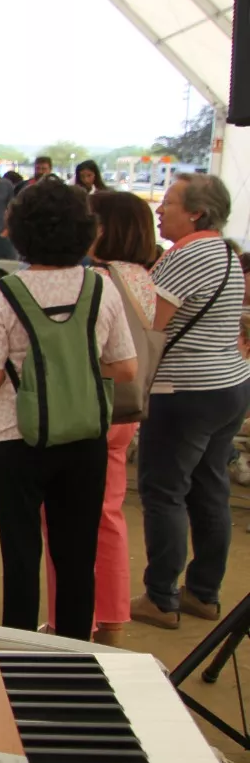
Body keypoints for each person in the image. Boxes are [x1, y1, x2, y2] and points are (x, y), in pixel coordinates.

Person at [0, 179, 136, 640]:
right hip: (84, 432)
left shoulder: (2, 292)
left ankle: (19, 647)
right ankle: (73, 648)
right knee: (77, 555)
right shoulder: (100, 288)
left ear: (19, 231)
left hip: (14, 434)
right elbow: (124, 367)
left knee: (21, 555)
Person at [37, 190, 156, 644]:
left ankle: (69, 619)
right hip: (126, 408)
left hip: (86, 405)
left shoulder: (96, 280)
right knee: (108, 514)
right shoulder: (143, 278)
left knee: (63, 519)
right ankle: (111, 617)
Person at [132, 173, 250, 628]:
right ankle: (203, 592)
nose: (160, 210)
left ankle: (161, 597)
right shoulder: (224, 251)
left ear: (196, 213)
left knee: (164, 492)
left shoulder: (187, 256)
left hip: (184, 390)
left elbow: (151, 325)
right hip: (228, 384)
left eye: (170, 203)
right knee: (209, 487)